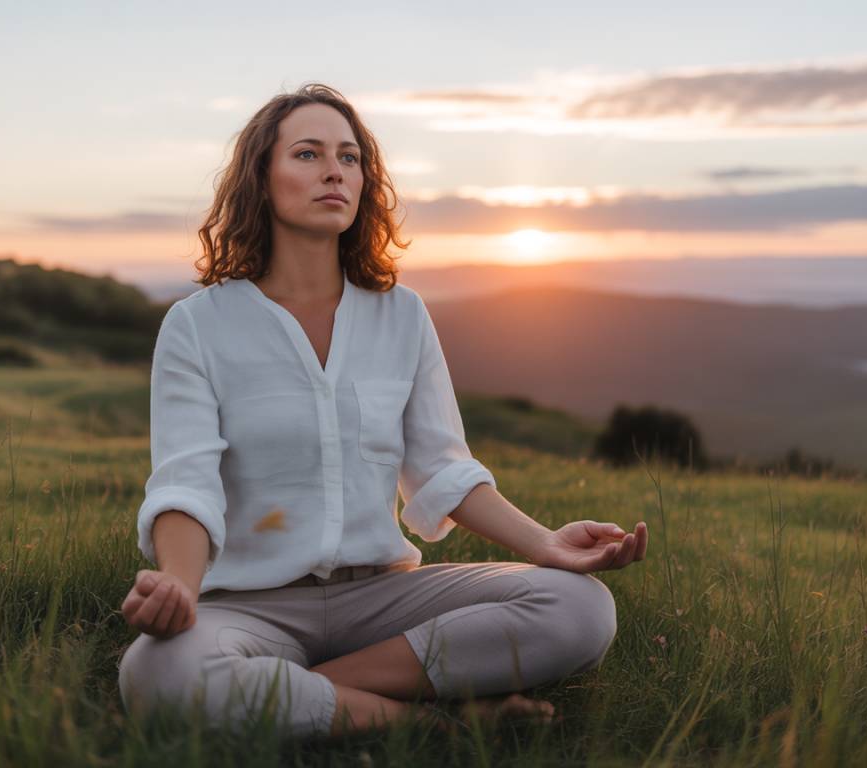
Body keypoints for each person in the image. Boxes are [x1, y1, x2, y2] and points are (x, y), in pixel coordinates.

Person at [117, 82, 649, 740]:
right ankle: (432, 726)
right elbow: (185, 482)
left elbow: (442, 470)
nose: (334, 170)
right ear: (262, 176)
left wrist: (545, 544)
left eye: (350, 157)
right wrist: (179, 585)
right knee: (156, 673)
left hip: (382, 597)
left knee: (580, 609)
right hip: (251, 606)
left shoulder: (402, 316)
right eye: (308, 154)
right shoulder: (198, 326)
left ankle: (315, 690)